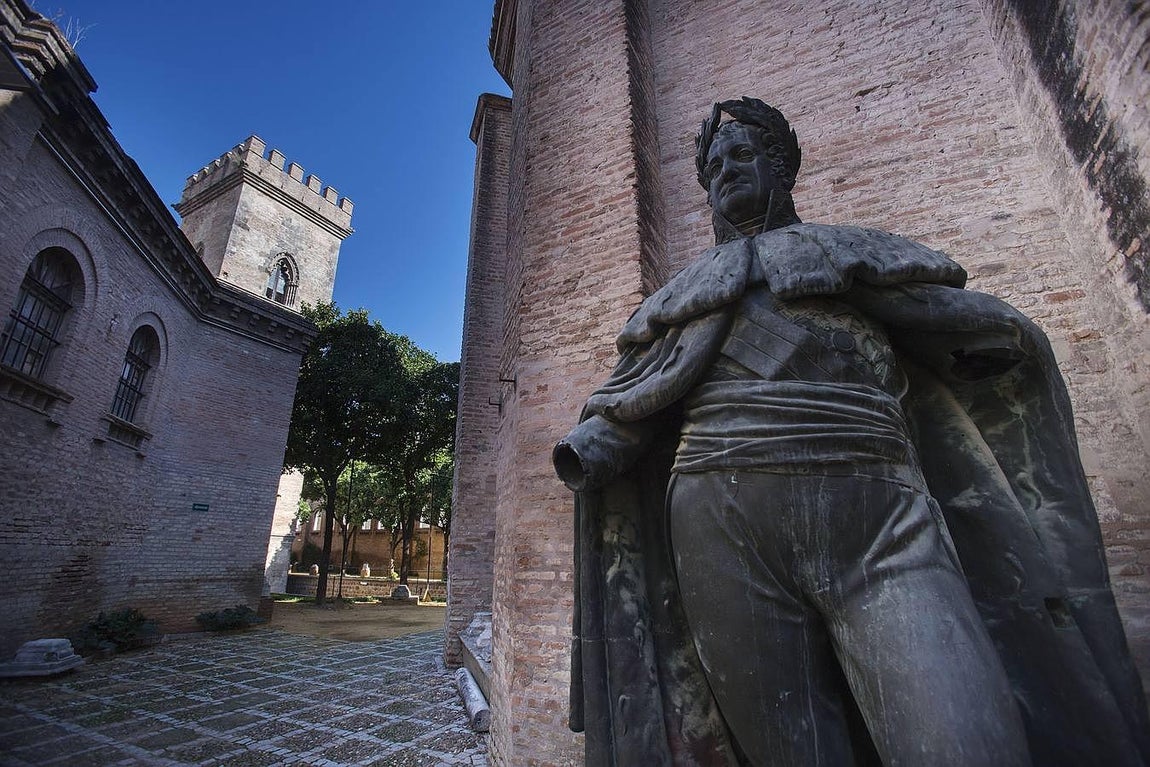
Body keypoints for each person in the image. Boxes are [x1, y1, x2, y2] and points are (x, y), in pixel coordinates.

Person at [554, 98, 1150, 766]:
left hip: (881, 514)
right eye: (714, 166)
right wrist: (596, 439)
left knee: (965, 737)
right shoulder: (678, 301)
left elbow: (945, 317)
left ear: (781, 168)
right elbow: (639, 393)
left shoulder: (853, 255)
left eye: (742, 155)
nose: (726, 172)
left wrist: (997, 342)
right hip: (718, 525)